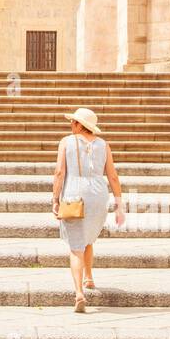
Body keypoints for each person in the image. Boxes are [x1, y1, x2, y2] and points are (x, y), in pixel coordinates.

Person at [52, 107, 125, 312]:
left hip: (74, 193)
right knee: (89, 239)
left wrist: (55, 199)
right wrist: (119, 204)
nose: (70, 125)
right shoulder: (104, 144)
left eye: (73, 122)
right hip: (98, 195)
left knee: (76, 246)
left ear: (78, 125)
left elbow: (59, 173)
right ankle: (89, 278)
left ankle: (79, 294)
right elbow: (113, 176)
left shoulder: (66, 142)